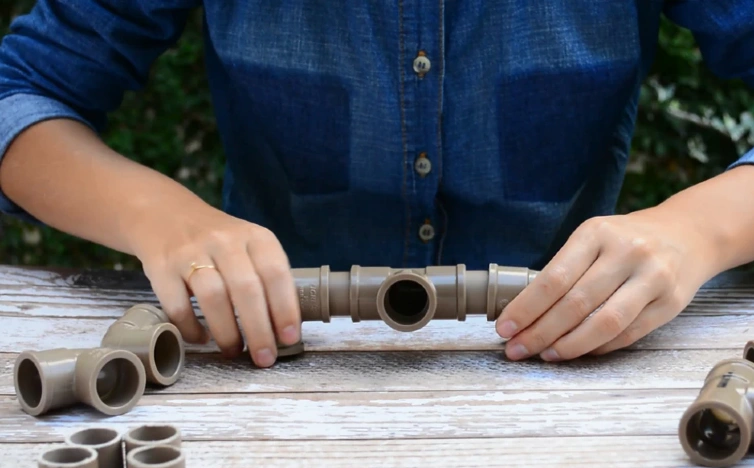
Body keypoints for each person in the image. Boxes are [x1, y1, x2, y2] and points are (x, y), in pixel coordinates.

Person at [0, 2, 752, 368]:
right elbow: (18, 91)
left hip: (575, 379)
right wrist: (158, 215)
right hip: (263, 378)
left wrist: (700, 228)